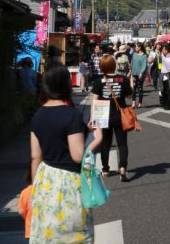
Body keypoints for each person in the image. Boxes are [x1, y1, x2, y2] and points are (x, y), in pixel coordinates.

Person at [30, 61, 102, 242]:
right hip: (68, 182)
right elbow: (78, 156)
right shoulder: (71, 114)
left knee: (48, 233)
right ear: (66, 84)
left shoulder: (38, 115)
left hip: (45, 180)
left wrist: (34, 188)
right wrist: (96, 140)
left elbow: (35, 156)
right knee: (73, 235)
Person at [92, 54, 133, 181]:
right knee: (122, 143)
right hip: (119, 114)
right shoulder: (122, 79)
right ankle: (122, 168)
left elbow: (94, 101)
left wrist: (92, 119)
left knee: (105, 143)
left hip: (103, 114)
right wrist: (131, 83)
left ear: (102, 67)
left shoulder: (99, 81)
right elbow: (129, 95)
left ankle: (105, 169)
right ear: (114, 65)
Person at [17, 167, 33, 241]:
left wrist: (27, 217)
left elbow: (21, 211)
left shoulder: (25, 192)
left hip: (30, 229)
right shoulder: (46, 190)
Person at [131, 43, 148, 109]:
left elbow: (144, 65)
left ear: (140, 47)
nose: (135, 48)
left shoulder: (144, 55)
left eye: (136, 47)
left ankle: (140, 102)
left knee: (140, 88)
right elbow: (132, 63)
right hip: (134, 73)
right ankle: (133, 102)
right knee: (134, 88)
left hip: (141, 74)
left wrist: (141, 73)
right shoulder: (134, 54)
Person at [160, 44, 170, 110]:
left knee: (169, 91)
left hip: (169, 76)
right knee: (163, 90)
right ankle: (164, 103)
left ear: (167, 50)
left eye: (163, 49)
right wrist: (159, 68)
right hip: (162, 76)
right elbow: (160, 64)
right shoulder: (162, 56)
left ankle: (168, 105)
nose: (162, 50)